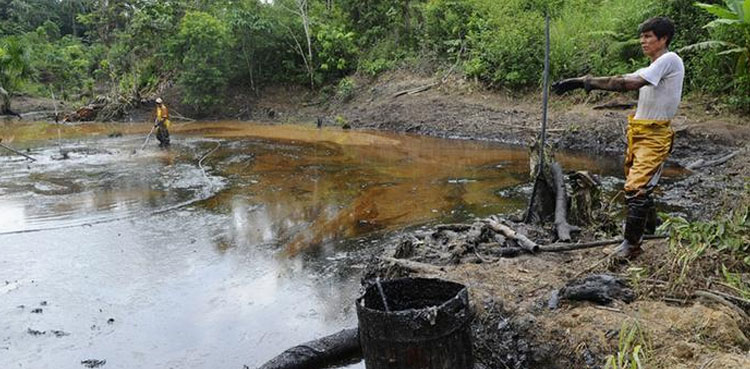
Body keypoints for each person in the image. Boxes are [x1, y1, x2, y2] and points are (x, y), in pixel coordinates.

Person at [552, 17, 684, 259]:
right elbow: (618, 78)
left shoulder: (670, 59)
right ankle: (648, 230)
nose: (643, 41)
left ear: (663, 39)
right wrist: (580, 82)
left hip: (654, 135)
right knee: (641, 185)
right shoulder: (651, 67)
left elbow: (627, 84)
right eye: (642, 36)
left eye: (648, 36)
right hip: (640, 132)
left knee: (636, 187)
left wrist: (585, 82)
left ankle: (631, 245)